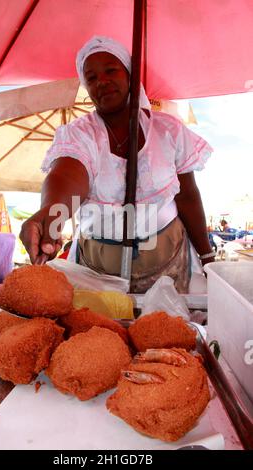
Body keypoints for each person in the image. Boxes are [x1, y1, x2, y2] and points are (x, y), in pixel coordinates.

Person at [20, 36, 215, 294]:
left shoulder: (169, 131)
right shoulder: (80, 134)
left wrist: (207, 256)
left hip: (168, 265)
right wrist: (51, 215)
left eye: (111, 70)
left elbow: (188, 196)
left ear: (130, 75)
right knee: (101, 332)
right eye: (91, 78)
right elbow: (68, 174)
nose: (101, 81)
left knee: (167, 331)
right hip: (97, 272)